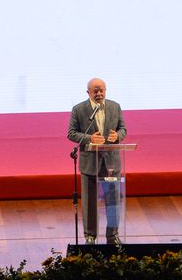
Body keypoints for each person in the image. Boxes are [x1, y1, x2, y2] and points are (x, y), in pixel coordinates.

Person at [67, 77, 126, 245]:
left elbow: (123, 129)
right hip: (90, 164)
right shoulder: (79, 109)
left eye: (102, 90)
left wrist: (117, 136)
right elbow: (71, 133)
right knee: (89, 203)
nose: (99, 93)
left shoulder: (115, 106)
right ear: (88, 93)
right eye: (95, 91)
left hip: (111, 163)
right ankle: (90, 236)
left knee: (113, 201)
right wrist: (89, 138)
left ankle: (112, 236)